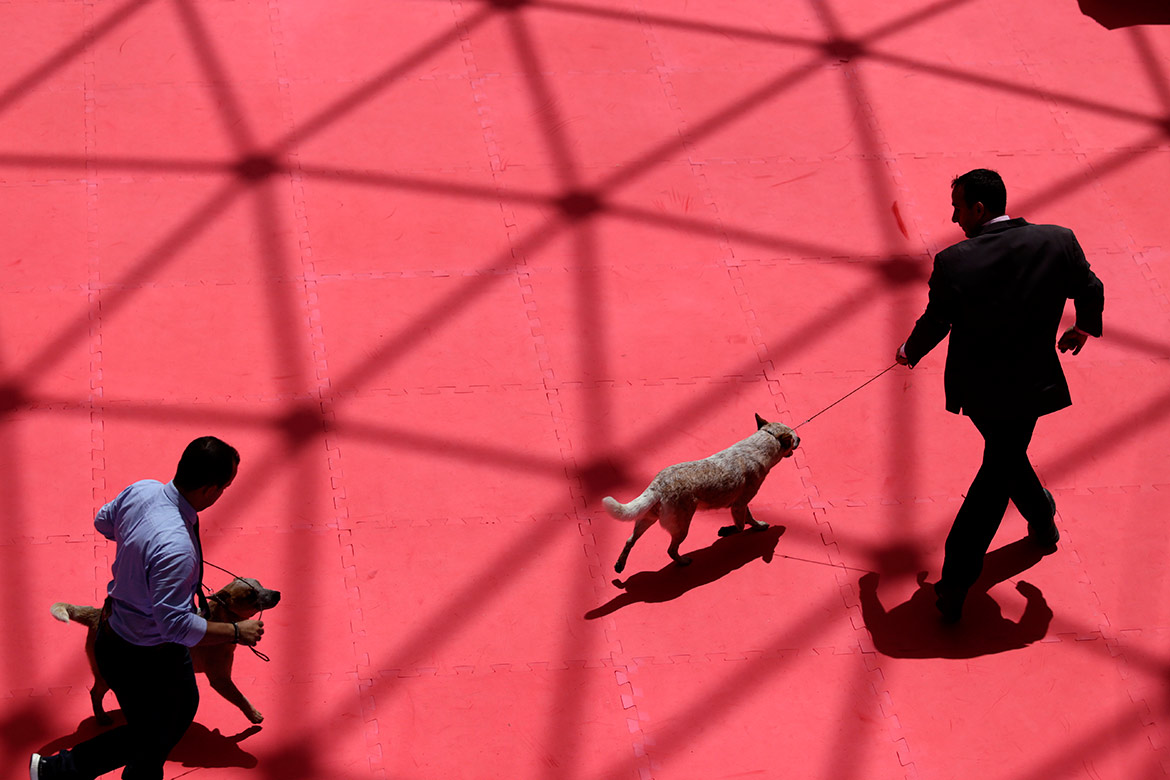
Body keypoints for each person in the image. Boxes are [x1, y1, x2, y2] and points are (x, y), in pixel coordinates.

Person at [895, 169, 1104, 622]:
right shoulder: (1056, 240)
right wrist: (1083, 326)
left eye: (957, 207)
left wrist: (909, 351)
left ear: (979, 208)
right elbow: (1091, 287)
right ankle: (1042, 516)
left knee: (993, 479)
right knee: (1008, 457)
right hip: (1032, 385)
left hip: (982, 391)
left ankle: (955, 584)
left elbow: (937, 320)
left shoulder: (955, 261)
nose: (954, 217)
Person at [31, 437, 264, 780]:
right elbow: (174, 627)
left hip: (121, 633)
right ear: (210, 489)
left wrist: (138, 544)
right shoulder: (176, 550)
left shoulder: (143, 490)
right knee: (153, 729)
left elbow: (103, 521)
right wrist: (235, 631)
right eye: (225, 487)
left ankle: (113, 773)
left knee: (178, 712)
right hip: (142, 651)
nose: (223, 493)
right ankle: (60, 771)